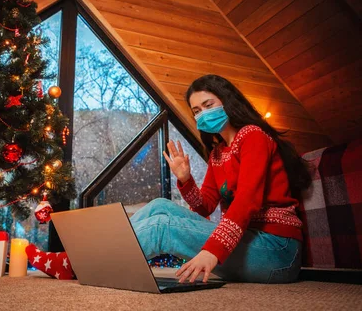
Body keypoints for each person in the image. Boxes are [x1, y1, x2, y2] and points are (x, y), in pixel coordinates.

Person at [26, 74, 311, 284]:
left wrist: (212, 252)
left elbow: (247, 201)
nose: (202, 114)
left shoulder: (253, 136)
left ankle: (75, 263)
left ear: (228, 102)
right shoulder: (217, 154)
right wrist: (186, 180)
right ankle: (81, 256)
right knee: (160, 205)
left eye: (208, 104)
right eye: (196, 111)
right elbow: (205, 207)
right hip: (248, 241)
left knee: (163, 227)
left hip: (278, 252)